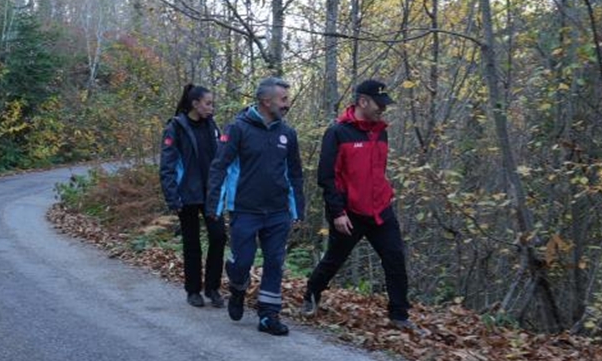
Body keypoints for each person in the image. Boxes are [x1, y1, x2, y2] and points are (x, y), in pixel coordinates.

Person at [301, 79, 418, 331]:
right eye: (380, 104)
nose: (383, 109)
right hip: (349, 212)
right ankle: (312, 292)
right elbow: (326, 177)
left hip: (380, 210)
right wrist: (337, 213)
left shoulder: (381, 131)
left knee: (395, 258)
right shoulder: (338, 132)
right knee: (335, 258)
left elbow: (378, 170)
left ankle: (399, 314)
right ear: (363, 101)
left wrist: (385, 193)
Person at [206, 76, 305, 336]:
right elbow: (220, 167)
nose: (287, 104)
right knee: (243, 261)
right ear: (265, 100)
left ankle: (268, 316)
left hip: (277, 212)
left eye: (287, 99)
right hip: (245, 210)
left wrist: (298, 209)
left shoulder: (288, 134)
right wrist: (214, 205)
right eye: (283, 99)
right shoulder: (238, 129)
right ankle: (237, 288)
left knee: (274, 261)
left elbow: (295, 173)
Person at [160, 85, 228, 308]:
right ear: (195, 104)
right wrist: (172, 197)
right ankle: (193, 290)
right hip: (187, 195)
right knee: (192, 243)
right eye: (208, 103)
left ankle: (212, 288)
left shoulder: (212, 127)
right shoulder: (176, 127)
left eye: (212, 103)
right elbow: (167, 166)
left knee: (218, 238)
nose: (211, 107)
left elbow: (220, 159)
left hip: (211, 194)